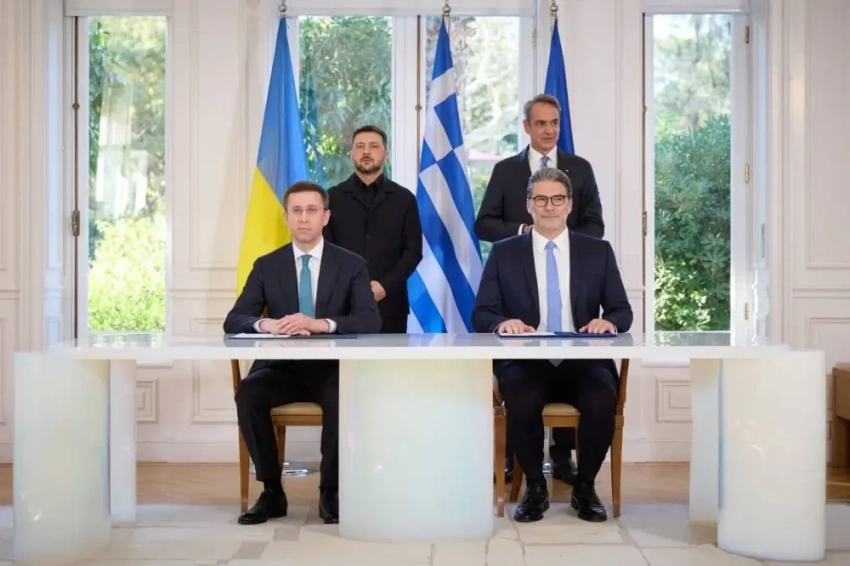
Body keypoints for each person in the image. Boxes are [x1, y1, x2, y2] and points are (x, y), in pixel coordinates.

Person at [471, 167, 632, 523]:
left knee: (601, 396)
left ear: (570, 204)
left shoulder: (598, 251)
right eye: (541, 199)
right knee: (521, 397)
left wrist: (609, 322)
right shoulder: (504, 252)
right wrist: (502, 323)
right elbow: (482, 313)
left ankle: (585, 487)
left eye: (557, 199)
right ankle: (535, 487)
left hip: (583, 359)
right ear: (529, 205)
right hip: (526, 360)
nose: (549, 206)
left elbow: (622, 310)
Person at [224, 181, 382, 526]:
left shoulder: (351, 264)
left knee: (342, 395)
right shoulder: (267, 265)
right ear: (286, 217)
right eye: (296, 211)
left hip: (332, 369)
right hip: (282, 368)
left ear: (326, 216)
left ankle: (330, 491)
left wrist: (320, 324)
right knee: (248, 392)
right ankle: (271, 491)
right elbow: (234, 320)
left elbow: (370, 320)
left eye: (312, 210)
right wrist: (267, 325)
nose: (304, 218)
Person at [476, 94, 606, 484]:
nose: (549, 130)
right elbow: (484, 223)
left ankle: (565, 459)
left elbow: (595, 224)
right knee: (523, 388)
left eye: (555, 122)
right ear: (527, 127)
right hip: (522, 288)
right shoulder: (506, 171)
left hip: (569, 287)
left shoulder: (580, 168)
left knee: (589, 383)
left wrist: (562, 241)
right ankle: (521, 468)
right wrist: (528, 233)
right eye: (541, 123)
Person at [324, 125, 423, 333]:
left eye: (374, 146)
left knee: (390, 356)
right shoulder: (332, 198)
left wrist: (385, 287)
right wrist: (350, 288)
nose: (366, 152)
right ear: (351, 154)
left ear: (385, 155)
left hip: (391, 304)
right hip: (342, 304)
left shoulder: (404, 199)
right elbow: (326, 250)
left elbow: (413, 252)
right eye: (360, 146)